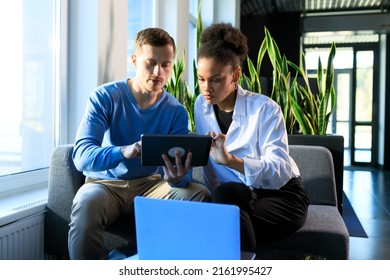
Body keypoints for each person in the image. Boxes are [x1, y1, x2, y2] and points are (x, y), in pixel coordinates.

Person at [69, 27, 211, 260]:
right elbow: (81, 155)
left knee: (200, 195)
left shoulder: (175, 111)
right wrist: (122, 151)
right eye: (150, 63)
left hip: (151, 186)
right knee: (86, 204)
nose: (158, 72)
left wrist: (177, 178)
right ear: (135, 60)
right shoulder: (104, 97)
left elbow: (181, 177)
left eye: (166, 64)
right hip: (106, 184)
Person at [194, 23, 309, 253]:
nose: (206, 88)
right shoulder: (201, 105)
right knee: (226, 201)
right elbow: (210, 170)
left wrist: (230, 161)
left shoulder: (265, 109)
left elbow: (279, 168)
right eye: (201, 79)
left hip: (281, 194)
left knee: (226, 225)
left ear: (235, 74)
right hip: (235, 194)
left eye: (215, 79)